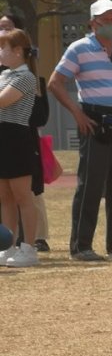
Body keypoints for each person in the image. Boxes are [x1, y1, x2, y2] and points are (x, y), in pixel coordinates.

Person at [49, 0, 112, 261]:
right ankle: (81, 246)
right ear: (93, 23)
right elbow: (55, 82)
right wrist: (77, 114)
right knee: (90, 184)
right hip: (94, 120)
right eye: (106, 19)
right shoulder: (79, 48)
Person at [0, 28, 41, 267]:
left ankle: (29, 248)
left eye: (2, 48)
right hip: (2, 137)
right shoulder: (4, 75)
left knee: (22, 195)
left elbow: (3, 101)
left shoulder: (26, 77)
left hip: (16, 138)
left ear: (17, 51)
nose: (0, 53)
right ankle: (9, 246)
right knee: (5, 196)